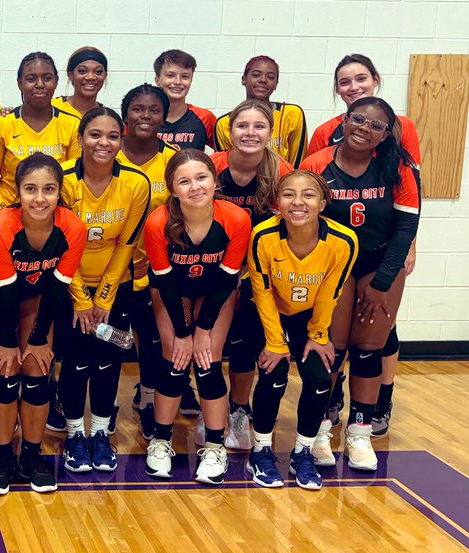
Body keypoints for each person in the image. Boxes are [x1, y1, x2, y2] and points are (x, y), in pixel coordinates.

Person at [301, 97, 419, 471]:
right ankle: (321, 429)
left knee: (369, 348)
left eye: (376, 125)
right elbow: (300, 220)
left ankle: (359, 433)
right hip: (332, 266)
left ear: (385, 135)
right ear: (345, 120)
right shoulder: (316, 164)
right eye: (358, 119)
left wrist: (382, 282)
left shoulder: (397, 167)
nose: (364, 128)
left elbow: (405, 228)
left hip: (379, 262)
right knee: (331, 348)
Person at [142, 149, 251, 484]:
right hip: (172, 291)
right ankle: (161, 441)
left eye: (201, 178)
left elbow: (227, 279)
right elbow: (165, 282)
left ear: (214, 181)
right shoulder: (158, 222)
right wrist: (184, 332)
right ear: (172, 189)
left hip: (215, 289)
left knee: (208, 362)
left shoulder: (236, 219)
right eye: (184, 181)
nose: (195, 187)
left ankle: (215, 447)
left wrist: (202, 330)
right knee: (175, 360)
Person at [0, 153, 86, 495]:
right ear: (18, 191)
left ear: (59, 192)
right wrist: (8, 339)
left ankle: (31, 455)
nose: (40, 198)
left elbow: (56, 289)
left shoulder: (72, 227)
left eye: (49, 189)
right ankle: (2, 457)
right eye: (30, 189)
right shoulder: (1, 226)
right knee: (6, 369)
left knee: (37, 370)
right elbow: (6, 292)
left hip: (39, 294)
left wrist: (39, 338)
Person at [246, 170, 357, 490]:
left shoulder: (344, 241)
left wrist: (318, 335)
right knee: (274, 372)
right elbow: (262, 291)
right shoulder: (263, 236)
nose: (297, 202)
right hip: (270, 313)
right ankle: (261, 450)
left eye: (308, 195)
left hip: (309, 317)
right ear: (277, 202)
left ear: (322, 203)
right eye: (288, 194)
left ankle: (303, 453)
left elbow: (330, 292)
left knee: (321, 378)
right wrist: (275, 342)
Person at [57, 108, 150, 473]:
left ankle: (99, 433)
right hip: (70, 286)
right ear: (81, 138)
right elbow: (62, 246)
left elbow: (127, 243)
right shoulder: (63, 179)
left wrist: (105, 297)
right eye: (95, 134)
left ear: (121, 139)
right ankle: (74, 434)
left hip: (116, 289)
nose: (103, 143)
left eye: (112, 136)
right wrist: (82, 299)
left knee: (109, 358)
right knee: (76, 360)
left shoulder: (136, 183)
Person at [209, 100, 293, 451]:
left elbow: (292, 226)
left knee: (246, 344)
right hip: (212, 267)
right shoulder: (212, 167)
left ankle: (239, 410)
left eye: (259, 126)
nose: (250, 133)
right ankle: (210, 410)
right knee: (209, 345)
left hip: (260, 272)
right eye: (242, 126)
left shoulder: (282, 171)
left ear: (270, 133)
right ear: (229, 131)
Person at [114, 84, 194, 437]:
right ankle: (102, 407)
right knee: (112, 339)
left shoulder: (174, 159)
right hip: (110, 270)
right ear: (125, 115)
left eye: (153, 110)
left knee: (151, 340)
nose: (145, 115)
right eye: (137, 109)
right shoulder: (108, 152)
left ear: (164, 116)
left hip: (158, 269)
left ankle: (147, 400)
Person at [0, 52, 81, 214]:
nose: (40, 84)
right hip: (9, 215)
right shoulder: (1, 123)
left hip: (54, 215)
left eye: (47, 78)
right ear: (19, 83)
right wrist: (6, 212)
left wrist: (52, 212)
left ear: (56, 81)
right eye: (31, 79)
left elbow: (75, 180)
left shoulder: (72, 124)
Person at [213, 56, 308, 166]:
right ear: (244, 79)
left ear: (276, 84)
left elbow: (298, 166)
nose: (263, 80)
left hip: (284, 176)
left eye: (270, 77)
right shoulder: (224, 123)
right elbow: (225, 166)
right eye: (256, 75)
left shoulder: (292, 114)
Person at [153, 50, 216, 153]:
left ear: (191, 80)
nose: (178, 82)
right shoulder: (144, 118)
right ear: (157, 80)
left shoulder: (205, 118)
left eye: (185, 77)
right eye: (170, 75)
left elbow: (227, 153)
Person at [53, 47, 108, 118]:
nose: (90, 77)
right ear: (70, 75)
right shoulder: (51, 109)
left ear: (105, 76)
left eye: (98, 72)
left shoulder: (107, 117)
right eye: (82, 71)